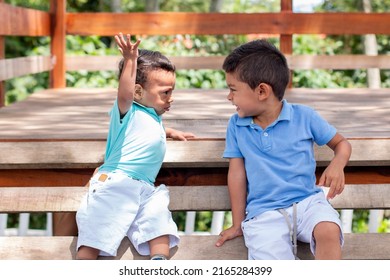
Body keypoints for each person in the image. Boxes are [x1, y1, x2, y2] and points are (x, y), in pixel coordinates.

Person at [215, 39, 352, 260]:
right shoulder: (236, 125)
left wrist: (337, 164)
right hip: (264, 213)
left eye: (233, 89)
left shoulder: (304, 116)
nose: (229, 97)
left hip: (307, 202)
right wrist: (238, 223)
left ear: (261, 91)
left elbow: (342, 144)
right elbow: (237, 174)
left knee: (328, 229)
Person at [75, 33, 195, 260]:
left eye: (172, 91)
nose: (171, 98)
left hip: (145, 189)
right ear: (138, 92)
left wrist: (169, 132)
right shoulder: (127, 111)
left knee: (159, 221)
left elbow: (146, 131)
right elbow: (125, 94)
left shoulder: (152, 117)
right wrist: (131, 60)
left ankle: (158, 262)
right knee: (96, 235)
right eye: (165, 92)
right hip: (117, 183)